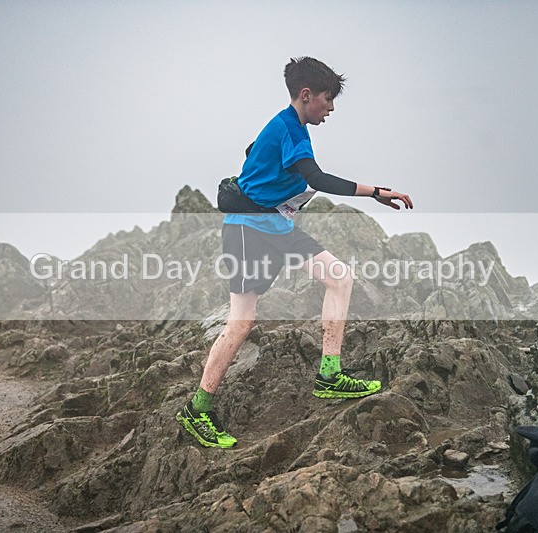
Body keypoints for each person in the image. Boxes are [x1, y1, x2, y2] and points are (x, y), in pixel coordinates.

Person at [176, 57, 413, 448]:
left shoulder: (287, 128)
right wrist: (376, 191)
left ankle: (330, 376)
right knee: (240, 324)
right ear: (307, 95)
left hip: (277, 228)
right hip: (248, 231)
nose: (331, 108)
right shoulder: (290, 130)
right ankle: (197, 409)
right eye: (328, 99)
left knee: (339, 277)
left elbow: (255, 153)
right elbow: (316, 177)